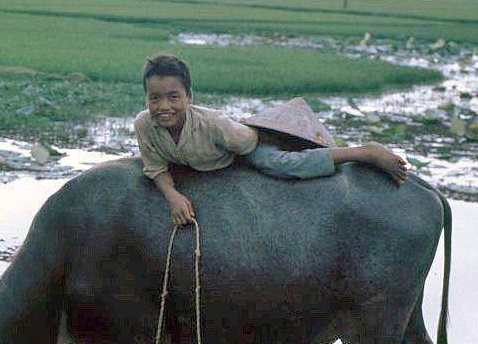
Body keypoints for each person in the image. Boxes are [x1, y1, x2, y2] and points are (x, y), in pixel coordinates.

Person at [134, 53, 409, 227]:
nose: (164, 106)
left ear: (189, 98)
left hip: (240, 148)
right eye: (154, 98)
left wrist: (279, 139)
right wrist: (171, 195)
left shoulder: (214, 125)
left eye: (173, 97)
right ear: (146, 99)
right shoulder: (144, 124)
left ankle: (364, 152)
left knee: (283, 164)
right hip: (203, 159)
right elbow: (155, 167)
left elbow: (249, 141)